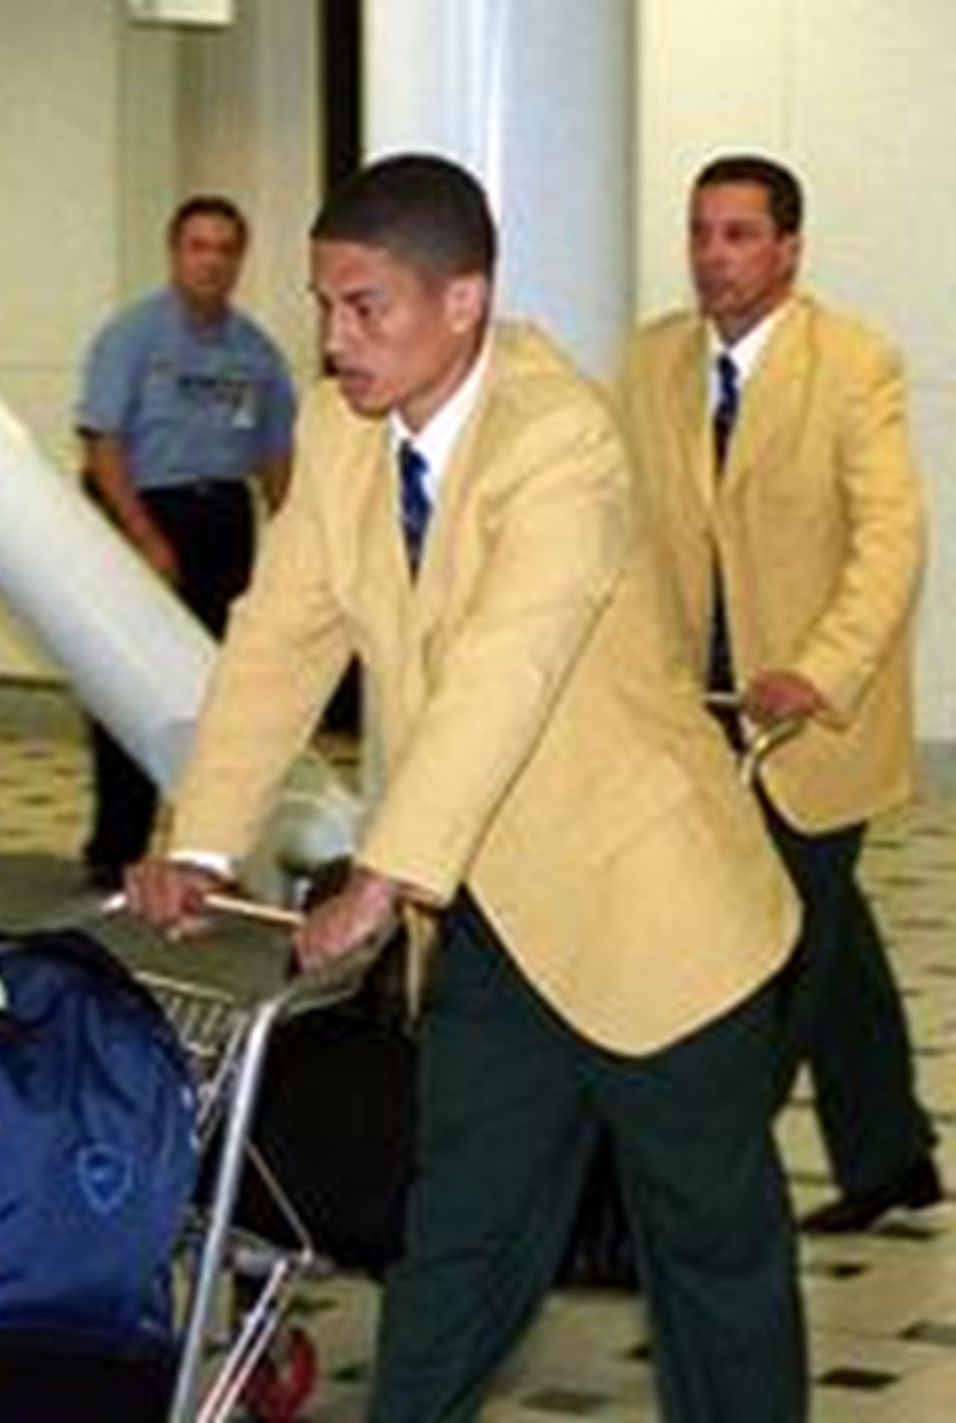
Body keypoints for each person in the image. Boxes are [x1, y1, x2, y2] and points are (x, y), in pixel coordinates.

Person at [124, 153, 807, 1420]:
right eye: (323, 306)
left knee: (710, 1254)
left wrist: (379, 876)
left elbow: (508, 665)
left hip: (654, 910)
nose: (333, 340)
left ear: (463, 301)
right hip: (489, 914)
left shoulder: (564, 438)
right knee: (460, 1238)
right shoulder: (341, 430)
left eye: (363, 307)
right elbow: (280, 635)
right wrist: (205, 842)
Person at [618, 153, 940, 1234]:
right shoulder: (655, 361)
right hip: (692, 714)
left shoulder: (852, 364)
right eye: (701, 232)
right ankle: (888, 1150)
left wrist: (823, 667)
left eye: (739, 234)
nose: (713, 255)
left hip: (807, 722)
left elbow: (891, 539)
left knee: (777, 954)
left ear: (789, 249)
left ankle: (692, 1196)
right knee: (828, 933)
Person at [75, 195, 296, 889]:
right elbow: (101, 443)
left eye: (225, 248)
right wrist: (143, 537)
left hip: (221, 517)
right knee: (124, 680)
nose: (212, 260)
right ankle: (116, 848)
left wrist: (292, 547)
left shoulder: (254, 352)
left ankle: (205, 849)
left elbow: (274, 457)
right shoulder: (132, 337)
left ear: (239, 260)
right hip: (140, 507)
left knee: (219, 687)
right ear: (175, 253)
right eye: (198, 246)